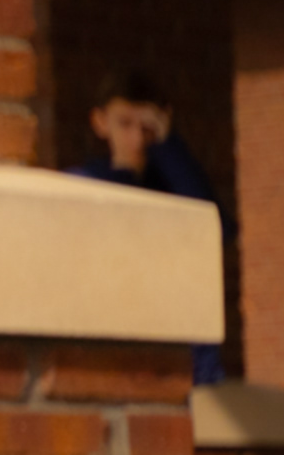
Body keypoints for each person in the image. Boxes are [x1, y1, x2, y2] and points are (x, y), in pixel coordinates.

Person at [67, 69, 230, 385]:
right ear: (101, 122)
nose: (136, 138)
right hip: (120, 349)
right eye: (124, 124)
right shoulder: (85, 182)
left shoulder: (178, 184)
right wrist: (126, 174)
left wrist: (168, 148)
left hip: (189, 358)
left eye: (148, 126)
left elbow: (215, 229)